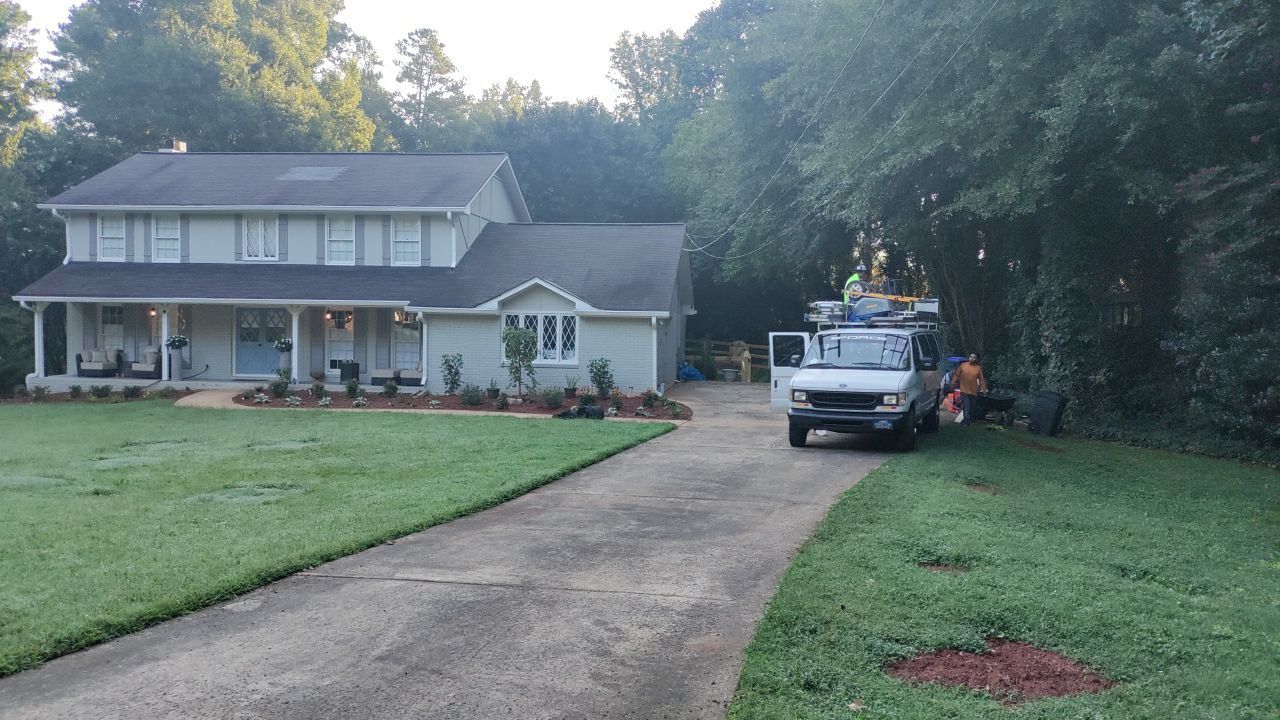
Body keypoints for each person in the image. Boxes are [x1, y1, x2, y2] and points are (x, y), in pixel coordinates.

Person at [952, 353, 987, 424]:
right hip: (964, 390)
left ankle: (969, 419)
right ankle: (966, 421)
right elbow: (957, 374)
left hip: (973, 391)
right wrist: (953, 382)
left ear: (976, 359)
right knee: (966, 406)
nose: (971, 358)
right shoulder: (963, 365)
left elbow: (981, 380)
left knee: (972, 407)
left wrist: (983, 389)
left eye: (973, 357)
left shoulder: (978, 368)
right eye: (971, 357)